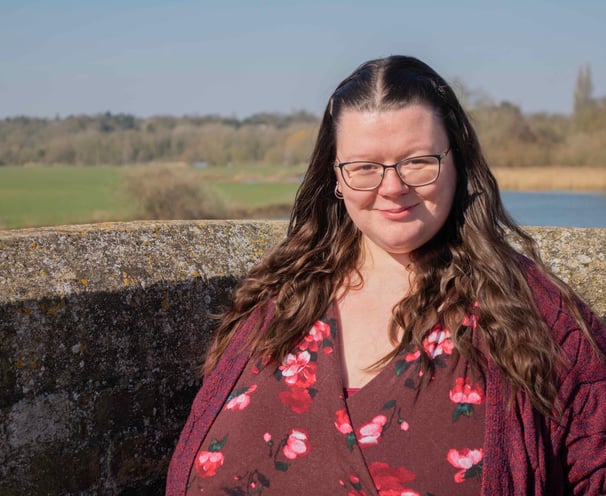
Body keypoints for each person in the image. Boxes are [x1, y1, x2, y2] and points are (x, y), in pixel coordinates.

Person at [166, 55, 606, 495]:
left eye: (417, 161)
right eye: (363, 168)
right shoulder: (278, 304)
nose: (392, 187)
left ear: (457, 162)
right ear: (335, 176)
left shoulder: (544, 325)